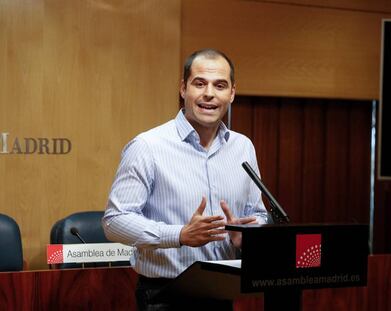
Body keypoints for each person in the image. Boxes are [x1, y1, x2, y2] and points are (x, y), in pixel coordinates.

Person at [102, 48, 269, 311]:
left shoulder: (243, 147)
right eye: (199, 83)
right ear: (183, 89)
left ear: (232, 93)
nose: (209, 94)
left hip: (221, 293)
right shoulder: (148, 146)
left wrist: (249, 234)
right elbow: (114, 222)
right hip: (164, 295)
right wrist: (179, 234)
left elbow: (258, 213)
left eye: (220, 85)